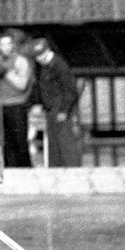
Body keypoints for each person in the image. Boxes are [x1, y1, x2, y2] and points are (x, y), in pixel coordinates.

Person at [0, 34, 34, 167]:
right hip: (1, 105)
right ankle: (9, 168)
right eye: (2, 44)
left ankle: (25, 168)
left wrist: (6, 73)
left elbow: (22, 85)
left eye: (8, 44)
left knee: (20, 139)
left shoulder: (20, 61)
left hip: (17, 104)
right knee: (6, 141)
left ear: (12, 46)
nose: (5, 47)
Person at [31, 38, 82, 167]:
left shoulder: (59, 65)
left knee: (65, 142)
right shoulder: (43, 66)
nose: (39, 59)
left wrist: (64, 110)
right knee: (53, 143)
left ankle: (72, 169)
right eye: (37, 56)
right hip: (50, 109)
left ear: (48, 50)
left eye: (42, 55)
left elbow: (71, 91)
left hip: (60, 108)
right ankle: (56, 170)